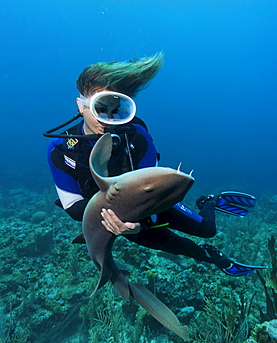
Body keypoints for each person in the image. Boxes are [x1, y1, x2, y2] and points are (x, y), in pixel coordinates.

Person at [47, 53, 265, 277]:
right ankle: (209, 256)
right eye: (99, 108)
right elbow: (73, 207)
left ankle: (210, 202)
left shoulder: (137, 136)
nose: (107, 119)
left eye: (117, 110)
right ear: (81, 105)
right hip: (116, 217)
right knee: (172, 244)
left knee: (208, 230)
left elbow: (156, 188)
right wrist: (117, 219)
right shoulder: (60, 149)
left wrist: (138, 221)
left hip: (151, 205)